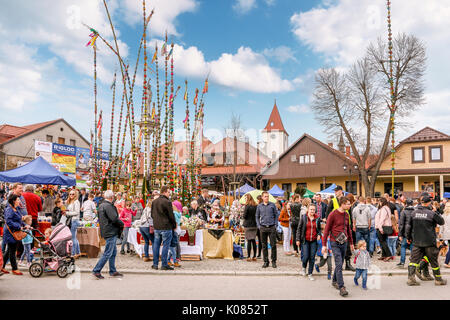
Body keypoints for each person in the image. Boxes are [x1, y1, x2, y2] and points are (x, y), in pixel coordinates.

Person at [405, 196, 446, 286]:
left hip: (417, 241)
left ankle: (411, 279)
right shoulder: (431, 213)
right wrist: (436, 211)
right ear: (428, 203)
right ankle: (438, 280)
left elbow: (408, 226)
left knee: (413, 261)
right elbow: (442, 222)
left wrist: (408, 237)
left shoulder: (414, 213)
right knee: (433, 261)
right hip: (429, 241)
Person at [322, 196, 354, 297]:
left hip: (344, 242)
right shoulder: (333, 214)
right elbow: (326, 230)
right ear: (343, 204)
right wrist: (324, 245)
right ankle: (342, 287)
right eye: (348, 203)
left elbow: (348, 229)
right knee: (339, 264)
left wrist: (351, 243)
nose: (350, 205)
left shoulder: (346, 215)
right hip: (334, 242)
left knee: (340, 263)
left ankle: (334, 280)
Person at [92, 190, 124, 279]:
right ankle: (96, 270)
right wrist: (122, 224)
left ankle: (112, 270)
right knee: (108, 253)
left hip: (107, 230)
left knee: (113, 252)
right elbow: (114, 218)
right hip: (110, 231)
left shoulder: (102, 205)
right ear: (111, 197)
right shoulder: (108, 206)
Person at [151, 186, 176, 271]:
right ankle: (164, 264)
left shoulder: (154, 202)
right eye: (169, 192)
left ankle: (155, 264)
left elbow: (152, 215)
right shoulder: (167, 202)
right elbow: (171, 215)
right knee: (166, 245)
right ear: (164, 192)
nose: (169, 194)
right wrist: (174, 225)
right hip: (166, 226)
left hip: (157, 226)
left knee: (156, 245)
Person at [2, 194, 28, 275]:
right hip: (10, 233)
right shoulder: (9, 209)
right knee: (12, 251)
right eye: (18, 200)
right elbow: (9, 222)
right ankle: (14, 268)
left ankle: (1, 266)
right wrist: (19, 227)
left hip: (13, 232)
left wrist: (25, 225)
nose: (19, 201)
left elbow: (19, 219)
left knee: (9, 250)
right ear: (13, 201)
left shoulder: (15, 208)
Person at [296, 204, 321, 280]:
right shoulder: (304, 217)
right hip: (305, 240)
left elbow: (319, 229)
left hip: (313, 241)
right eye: (311, 209)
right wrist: (297, 239)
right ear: (308, 210)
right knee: (305, 256)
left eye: (313, 209)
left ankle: (310, 273)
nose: (312, 211)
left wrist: (319, 234)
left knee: (312, 257)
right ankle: (304, 267)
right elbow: (299, 229)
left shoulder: (317, 218)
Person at [255, 191, 279, 268]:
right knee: (264, 245)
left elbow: (276, 215)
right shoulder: (259, 206)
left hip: (272, 227)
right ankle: (266, 261)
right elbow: (257, 216)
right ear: (262, 197)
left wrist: (276, 224)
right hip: (263, 227)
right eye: (265, 196)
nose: (267, 198)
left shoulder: (272, 205)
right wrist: (259, 225)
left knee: (273, 245)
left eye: (267, 196)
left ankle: (274, 261)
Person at [397, 199, 415, 267]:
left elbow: (401, 224)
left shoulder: (403, 212)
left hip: (405, 232)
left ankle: (402, 262)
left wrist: (400, 234)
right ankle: (413, 262)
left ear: (406, 204)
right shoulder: (415, 211)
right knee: (412, 247)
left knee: (403, 247)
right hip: (413, 232)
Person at [65, 189, 81, 258]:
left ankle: (73, 253)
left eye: (73, 194)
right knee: (74, 237)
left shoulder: (76, 202)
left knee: (73, 238)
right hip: (72, 220)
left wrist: (68, 213)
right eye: (70, 194)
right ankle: (77, 252)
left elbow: (77, 212)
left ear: (75, 195)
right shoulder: (71, 201)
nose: (71, 195)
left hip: (74, 220)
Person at [243, 194, 258, 261]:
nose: (245, 199)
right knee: (253, 240)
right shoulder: (256, 206)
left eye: (246, 198)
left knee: (249, 240)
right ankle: (254, 256)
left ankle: (249, 256)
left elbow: (244, 216)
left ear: (248, 199)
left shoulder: (247, 206)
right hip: (254, 225)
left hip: (248, 225)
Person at [440, 202, 450, 268]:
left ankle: (446, 262)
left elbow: (441, 226)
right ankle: (446, 262)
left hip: (446, 234)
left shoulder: (443, 215)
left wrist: (441, 234)